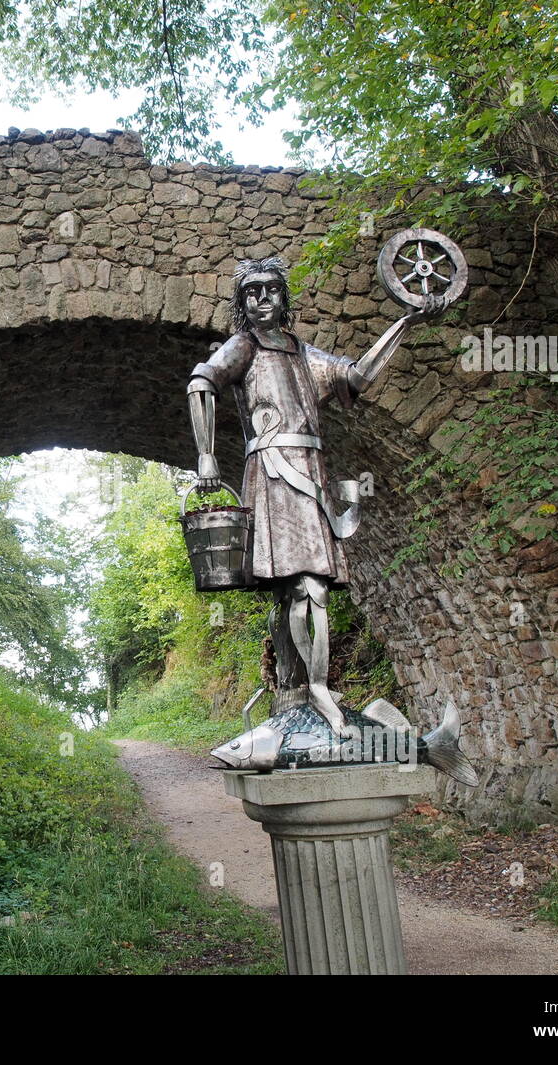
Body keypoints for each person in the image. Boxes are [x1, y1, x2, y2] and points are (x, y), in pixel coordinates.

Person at [187, 257, 445, 739]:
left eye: (271, 290)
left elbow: (357, 377)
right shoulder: (244, 346)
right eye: (252, 293)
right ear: (242, 304)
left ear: (284, 298)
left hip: (311, 472)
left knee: (307, 585)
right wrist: (206, 457)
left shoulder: (303, 353)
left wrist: (406, 320)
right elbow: (202, 382)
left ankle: (308, 688)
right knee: (299, 587)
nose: (263, 299)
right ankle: (306, 688)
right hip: (271, 472)